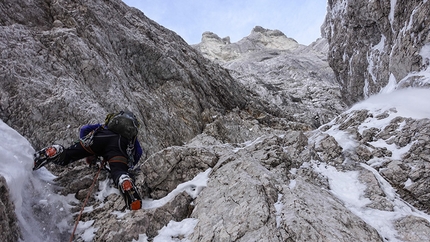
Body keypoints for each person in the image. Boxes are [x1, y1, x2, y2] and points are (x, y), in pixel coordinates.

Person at [33, 111, 143, 210]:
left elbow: (84, 129)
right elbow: (138, 152)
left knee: (68, 156)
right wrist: (129, 166)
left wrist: (86, 148)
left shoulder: (105, 126)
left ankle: (57, 151)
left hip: (98, 138)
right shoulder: (130, 136)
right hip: (118, 146)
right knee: (118, 170)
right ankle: (123, 179)